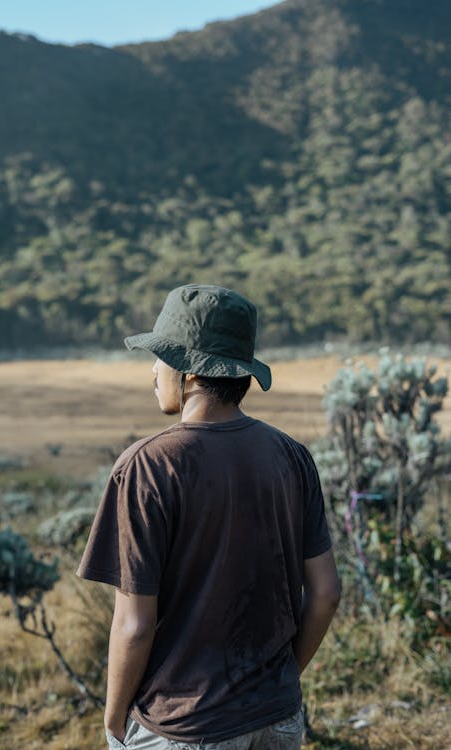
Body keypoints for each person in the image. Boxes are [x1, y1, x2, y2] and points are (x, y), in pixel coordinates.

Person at [77, 284, 341, 750]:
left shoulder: (146, 467)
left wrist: (114, 720)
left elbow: (134, 625)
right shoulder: (292, 456)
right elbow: (325, 593)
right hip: (278, 717)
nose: (154, 373)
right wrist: (278, 680)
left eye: (160, 358)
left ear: (192, 373)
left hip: (184, 726)